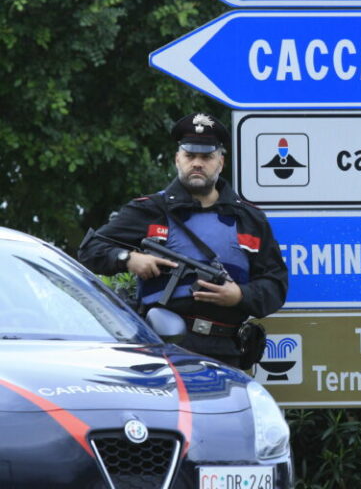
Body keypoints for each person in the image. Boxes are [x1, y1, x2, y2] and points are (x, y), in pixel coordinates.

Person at [79, 112, 288, 368]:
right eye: (190, 156)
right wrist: (129, 259)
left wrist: (239, 295)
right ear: (178, 159)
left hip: (226, 351)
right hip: (162, 349)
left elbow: (276, 285)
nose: (197, 163)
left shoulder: (249, 218)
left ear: (220, 162)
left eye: (206, 157)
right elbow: (90, 250)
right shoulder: (149, 210)